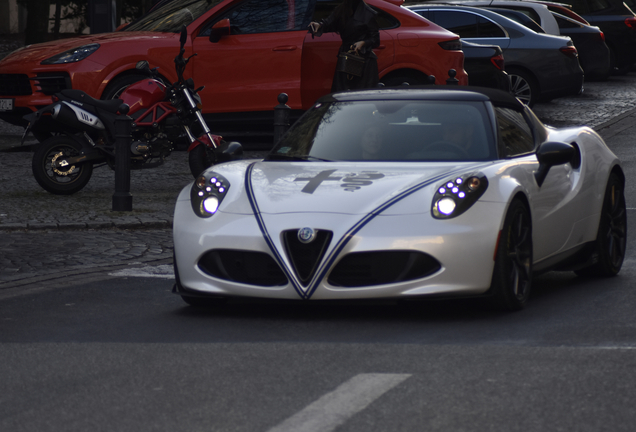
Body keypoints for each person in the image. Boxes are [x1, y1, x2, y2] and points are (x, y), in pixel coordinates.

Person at [308, 0, 380, 92]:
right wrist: (319, 25)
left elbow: (376, 40)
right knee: (342, 91)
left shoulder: (369, 14)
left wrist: (363, 43)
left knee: (362, 94)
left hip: (364, 60)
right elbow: (329, 23)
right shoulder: (342, 9)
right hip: (346, 57)